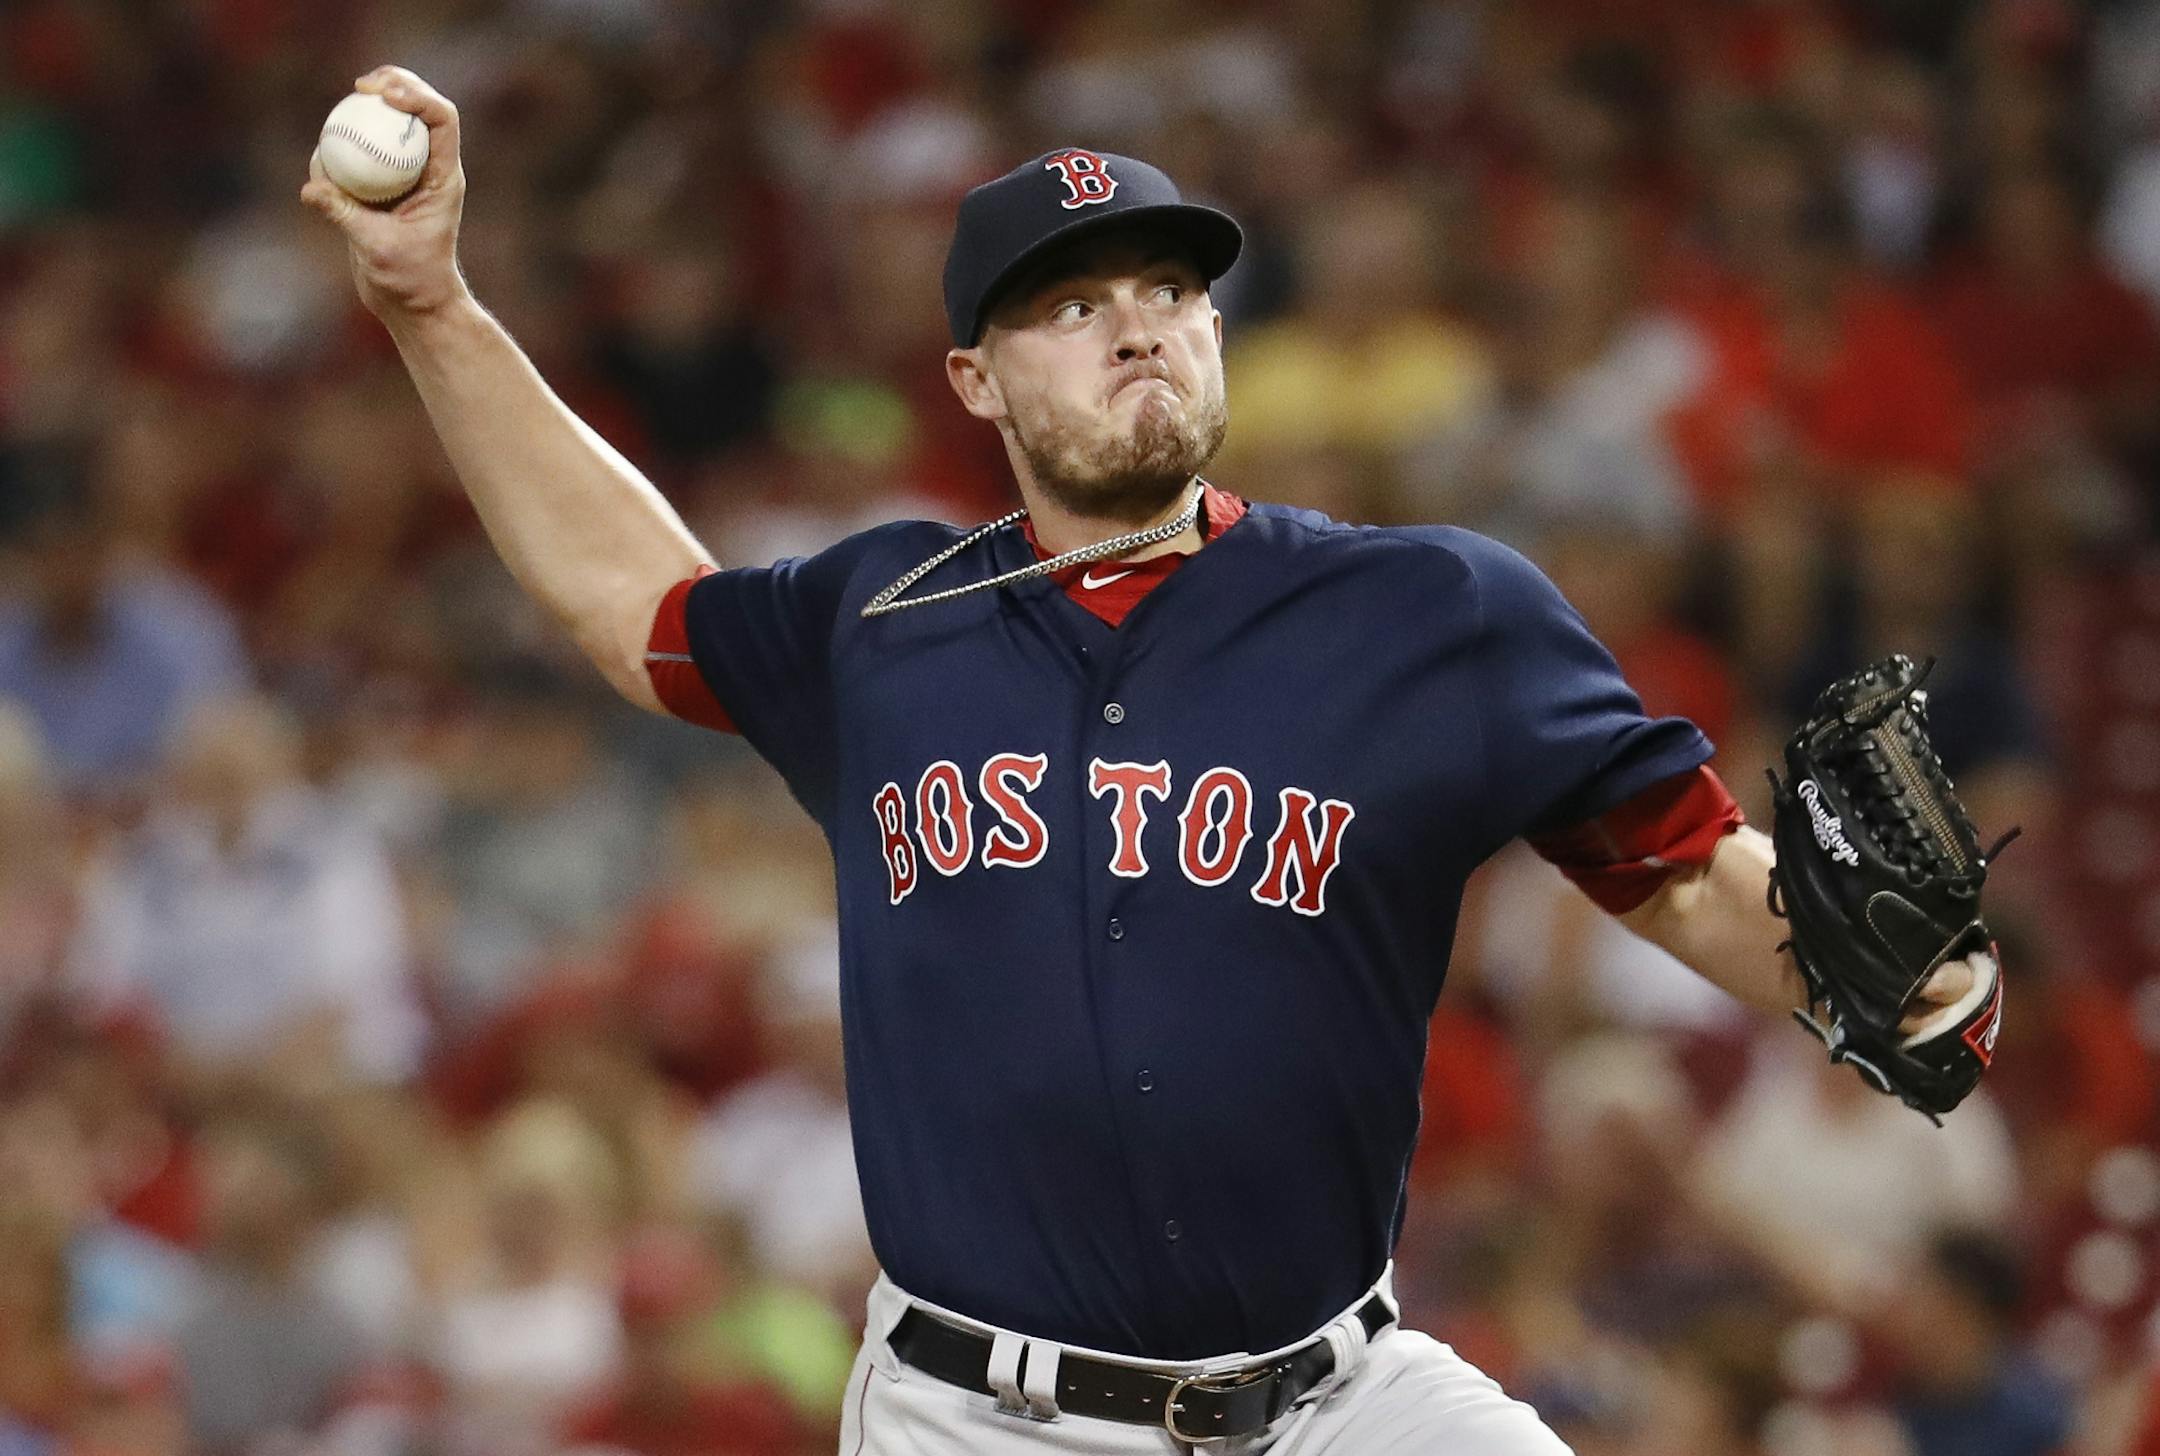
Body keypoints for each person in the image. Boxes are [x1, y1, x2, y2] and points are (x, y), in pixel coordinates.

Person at [300, 67, 1989, 1454]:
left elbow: (1679, 865)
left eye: (1174, 288)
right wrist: (432, 302)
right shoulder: (885, 619)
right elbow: (628, 601)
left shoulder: (1429, 612)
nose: (1141, 328)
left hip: (1338, 1403)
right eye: (1072, 304)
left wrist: (1884, 974)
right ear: (975, 377)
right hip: (980, 1418)